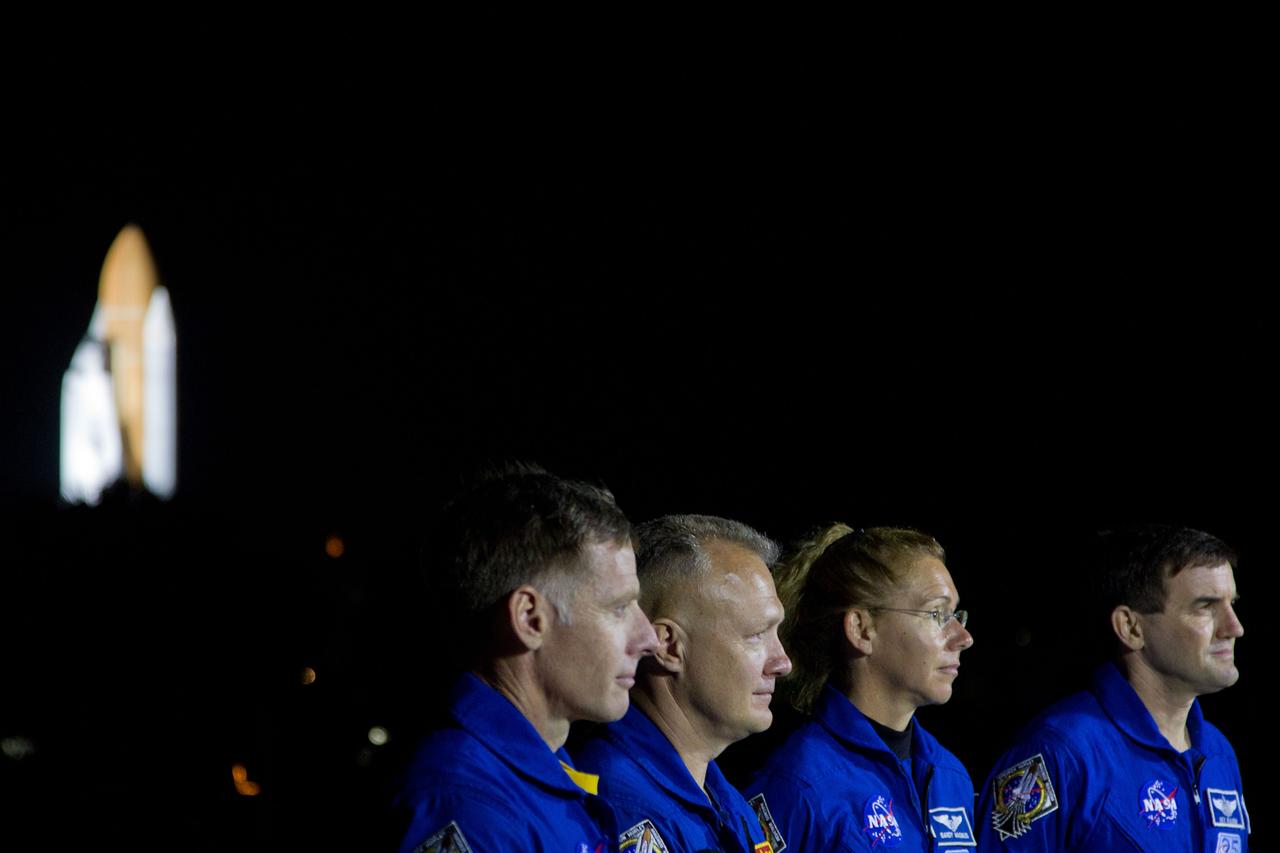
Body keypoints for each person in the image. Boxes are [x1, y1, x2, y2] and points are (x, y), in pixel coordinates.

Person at [392, 464, 659, 853]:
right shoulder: (470, 806)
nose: (648, 638)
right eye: (619, 608)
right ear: (529, 618)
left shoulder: (540, 772)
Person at [975, 524, 1249, 851]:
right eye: (1205, 606)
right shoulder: (1058, 752)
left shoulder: (1218, 753)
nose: (1234, 627)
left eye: (1232, 604)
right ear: (1131, 627)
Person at [743, 524, 978, 850]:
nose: (963, 638)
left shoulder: (951, 777)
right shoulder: (798, 786)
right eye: (936, 613)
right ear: (862, 629)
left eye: (956, 615)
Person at [573, 514, 792, 853]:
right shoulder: (620, 807)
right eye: (755, 635)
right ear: (668, 645)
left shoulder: (723, 797)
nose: (782, 663)